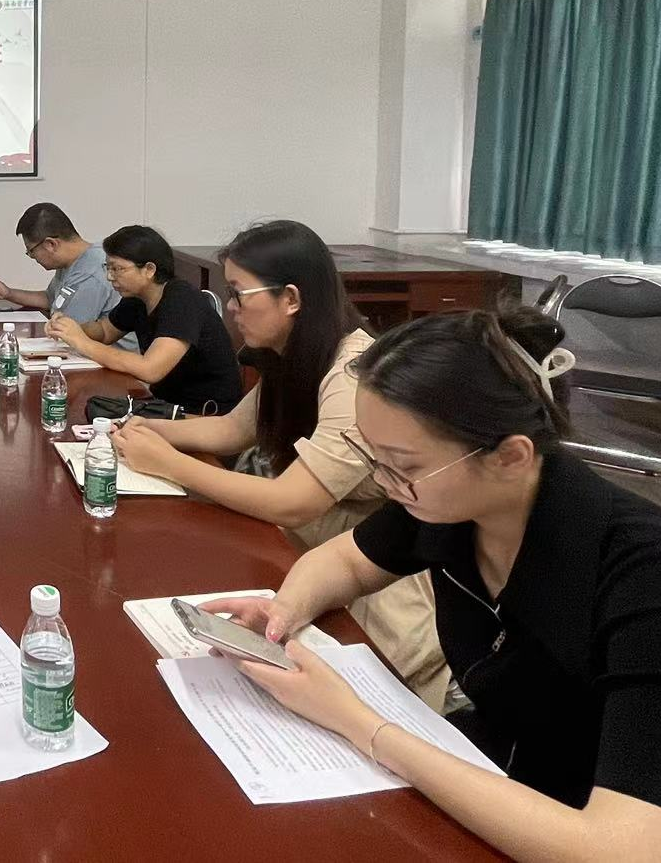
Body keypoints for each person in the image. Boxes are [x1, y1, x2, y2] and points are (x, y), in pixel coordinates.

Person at [204, 308, 661, 863]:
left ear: (511, 456)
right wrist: (283, 614)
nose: (384, 483)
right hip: (492, 767)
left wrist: (359, 723)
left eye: (403, 465)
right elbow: (344, 562)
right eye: (375, 458)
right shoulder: (448, 505)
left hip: (573, 814)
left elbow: (635, 851)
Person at [111, 219, 448, 707]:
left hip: (370, 595)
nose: (229, 307)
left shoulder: (353, 373)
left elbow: (294, 502)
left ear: (290, 298)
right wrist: (141, 429)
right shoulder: (292, 353)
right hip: (301, 563)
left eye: (238, 293)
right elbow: (232, 430)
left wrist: (169, 464)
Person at [47, 224, 243, 414]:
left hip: (204, 414)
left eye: (117, 269)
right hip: (166, 405)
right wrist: (69, 328)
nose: (109, 277)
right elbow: (105, 331)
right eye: (108, 267)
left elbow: (150, 369)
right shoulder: (138, 298)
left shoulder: (181, 300)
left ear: (149, 269)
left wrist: (82, 342)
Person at [0, 202, 120, 324]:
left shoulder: (90, 274)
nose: (32, 257)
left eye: (31, 251)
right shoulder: (71, 262)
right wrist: (8, 294)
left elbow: (68, 331)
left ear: (50, 244)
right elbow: (50, 298)